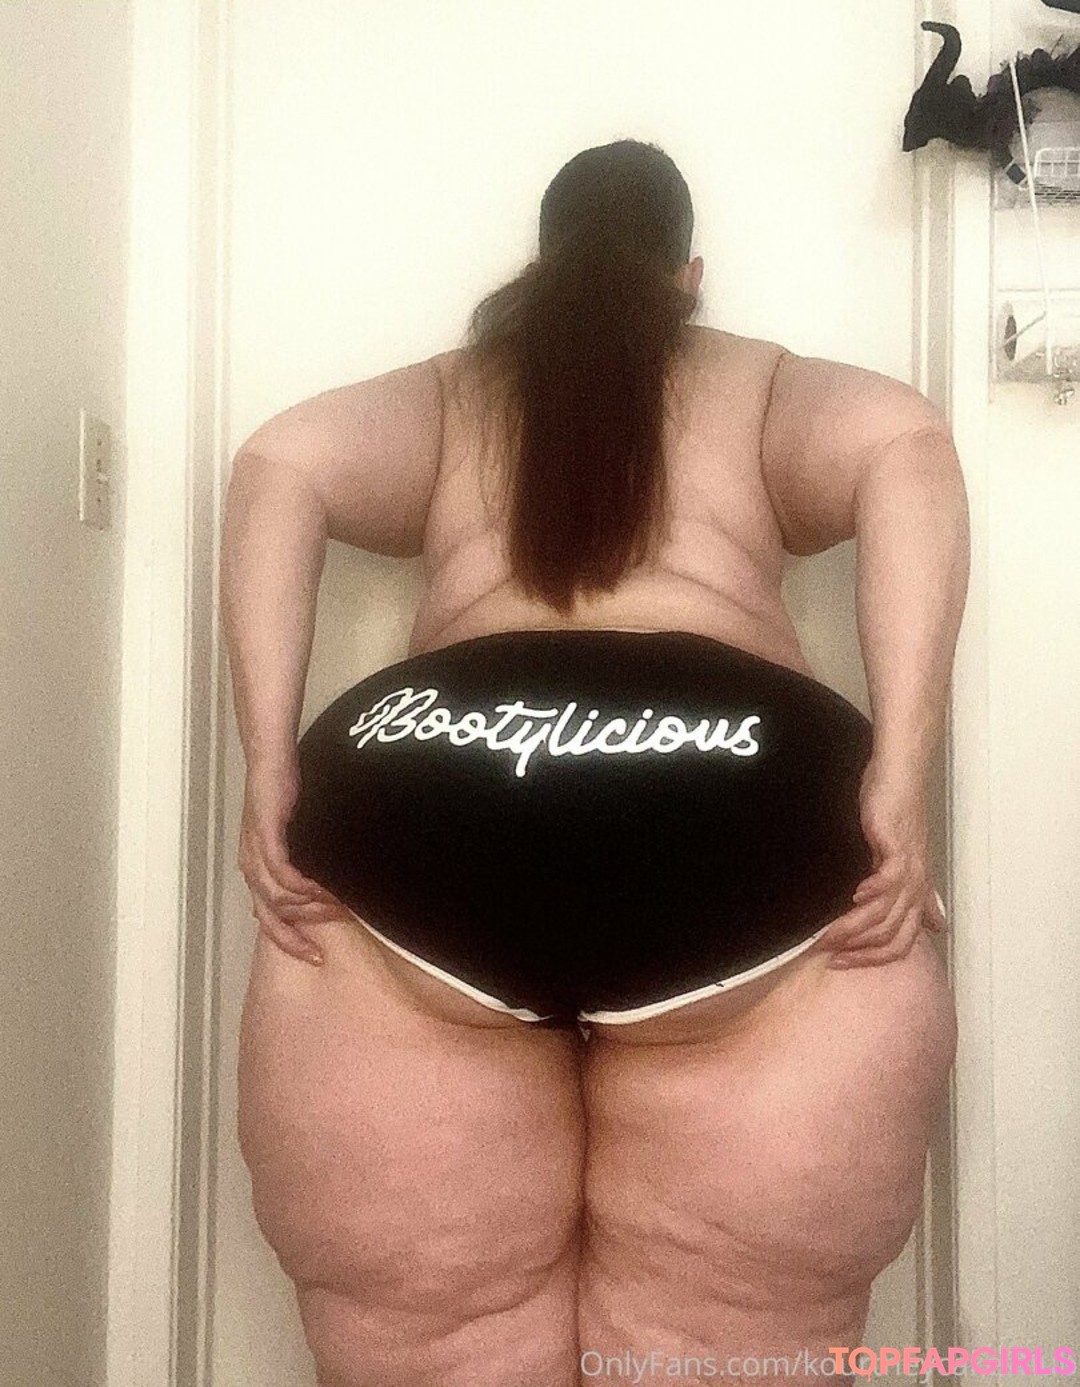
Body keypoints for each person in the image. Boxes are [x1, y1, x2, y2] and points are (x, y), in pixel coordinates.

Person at [221, 139, 969, 1387]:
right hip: (743, 809)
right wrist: (902, 765)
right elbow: (907, 442)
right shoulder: (758, 384)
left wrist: (268, 756)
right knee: (725, 1347)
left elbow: (280, 461)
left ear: (544, 258)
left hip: (428, 802)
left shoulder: (456, 393)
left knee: (430, 1342)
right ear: (690, 276)